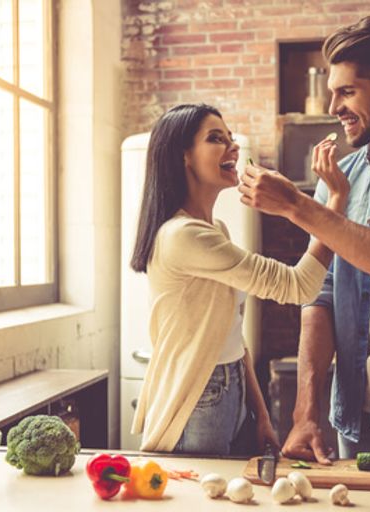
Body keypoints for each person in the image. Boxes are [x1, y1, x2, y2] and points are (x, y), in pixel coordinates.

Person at [239, 16, 370, 467]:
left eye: (347, 92)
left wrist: (296, 204)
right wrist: (306, 409)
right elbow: (320, 294)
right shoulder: (344, 177)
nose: (334, 107)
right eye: (332, 92)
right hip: (358, 418)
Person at [129, 103, 349, 455]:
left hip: (228, 387)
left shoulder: (214, 230)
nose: (232, 147)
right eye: (216, 139)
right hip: (198, 396)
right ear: (183, 156)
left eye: (230, 138)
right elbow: (300, 286)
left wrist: (259, 414)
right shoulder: (183, 236)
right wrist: (334, 201)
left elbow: (230, 334)